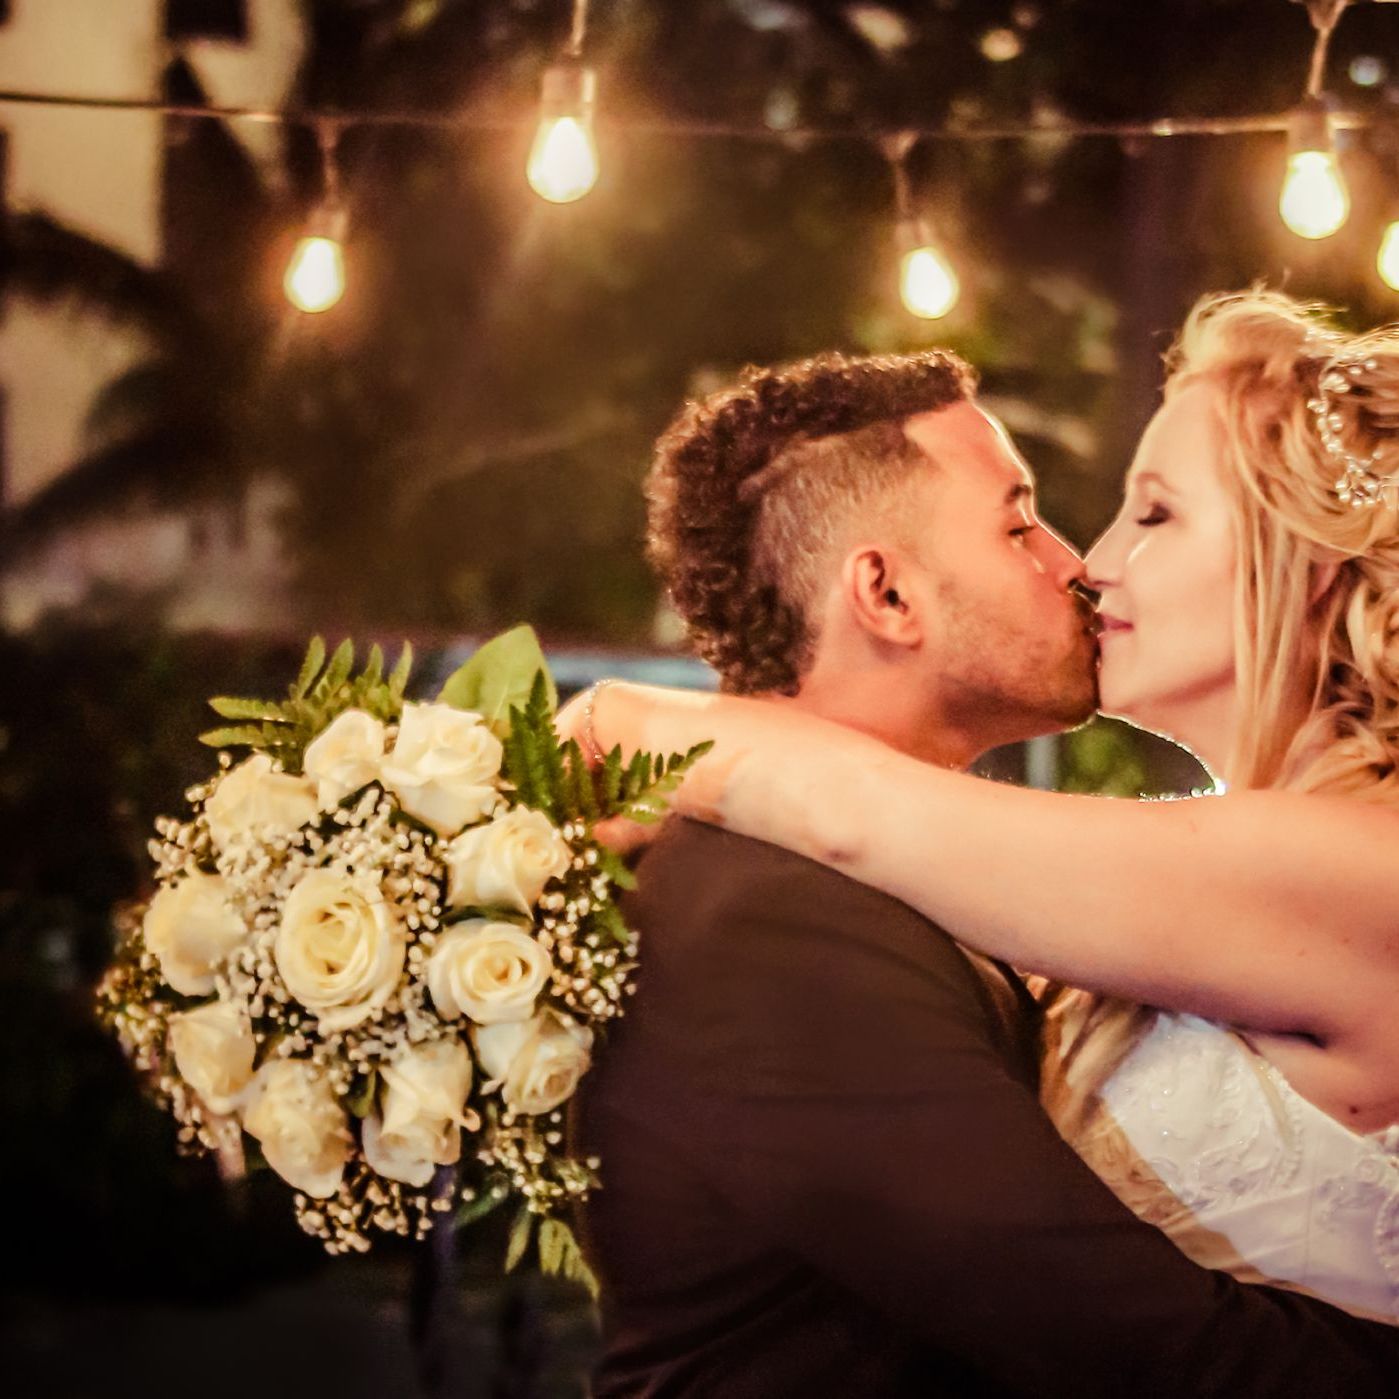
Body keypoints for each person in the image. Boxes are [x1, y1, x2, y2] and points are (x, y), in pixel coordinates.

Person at [571, 335, 1399, 1398]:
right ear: (885, 594)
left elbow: (859, 813)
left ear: (1304, 560)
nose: (1086, 561)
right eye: (1019, 523)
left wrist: (630, 722)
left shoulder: (1346, 859)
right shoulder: (766, 910)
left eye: (1154, 514)